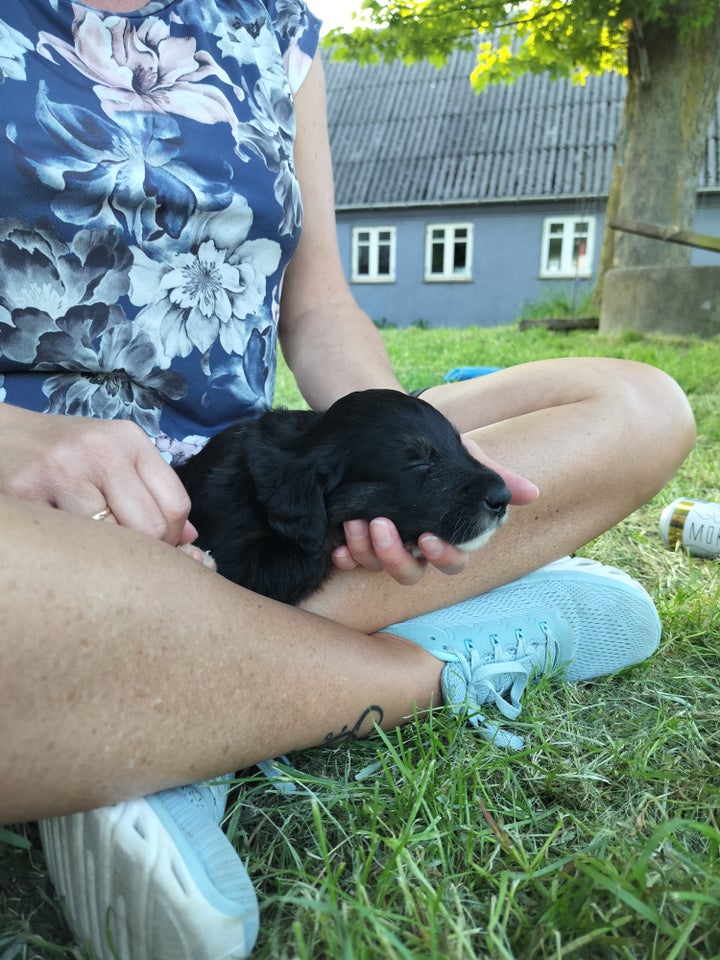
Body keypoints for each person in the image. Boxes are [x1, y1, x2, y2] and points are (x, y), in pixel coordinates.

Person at [0, 1, 696, 958]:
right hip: (45, 513)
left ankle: (158, 698)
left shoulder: (272, 27)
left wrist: (401, 451)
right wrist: (11, 439)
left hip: (264, 493)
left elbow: (320, 302)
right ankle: (431, 666)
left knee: (636, 410)